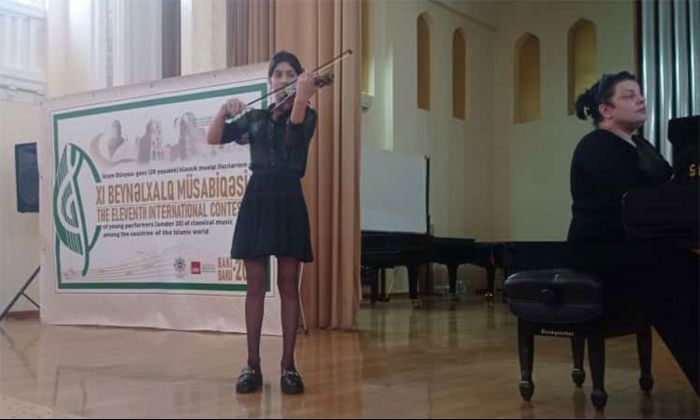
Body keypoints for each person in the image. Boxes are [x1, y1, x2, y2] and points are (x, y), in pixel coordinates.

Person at [569, 71, 699, 393]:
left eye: (640, 94)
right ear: (606, 110)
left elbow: (667, 190)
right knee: (676, 282)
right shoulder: (596, 145)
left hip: (637, 245)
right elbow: (632, 199)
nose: (641, 100)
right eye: (628, 96)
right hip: (602, 249)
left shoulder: (641, 145)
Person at [207, 51, 318, 395]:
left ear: (298, 78)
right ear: (269, 80)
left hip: (288, 198)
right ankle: (251, 365)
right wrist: (224, 111)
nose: (283, 79)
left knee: (288, 284)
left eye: (290, 74)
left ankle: (288, 366)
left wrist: (301, 98)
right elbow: (214, 137)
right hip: (257, 198)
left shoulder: (307, 114)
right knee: (254, 286)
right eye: (278, 74)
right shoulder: (255, 116)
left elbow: (292, 136)